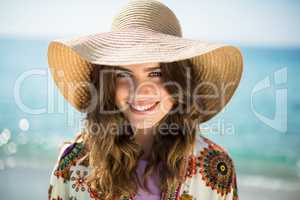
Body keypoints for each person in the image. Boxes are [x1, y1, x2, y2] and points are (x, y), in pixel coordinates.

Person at [47, 0, 243, 200]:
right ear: (109, 83)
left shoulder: (216, 167)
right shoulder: (73, 164)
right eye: (123, 74)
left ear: (180, 80)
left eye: (156, 72)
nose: (140, 91)